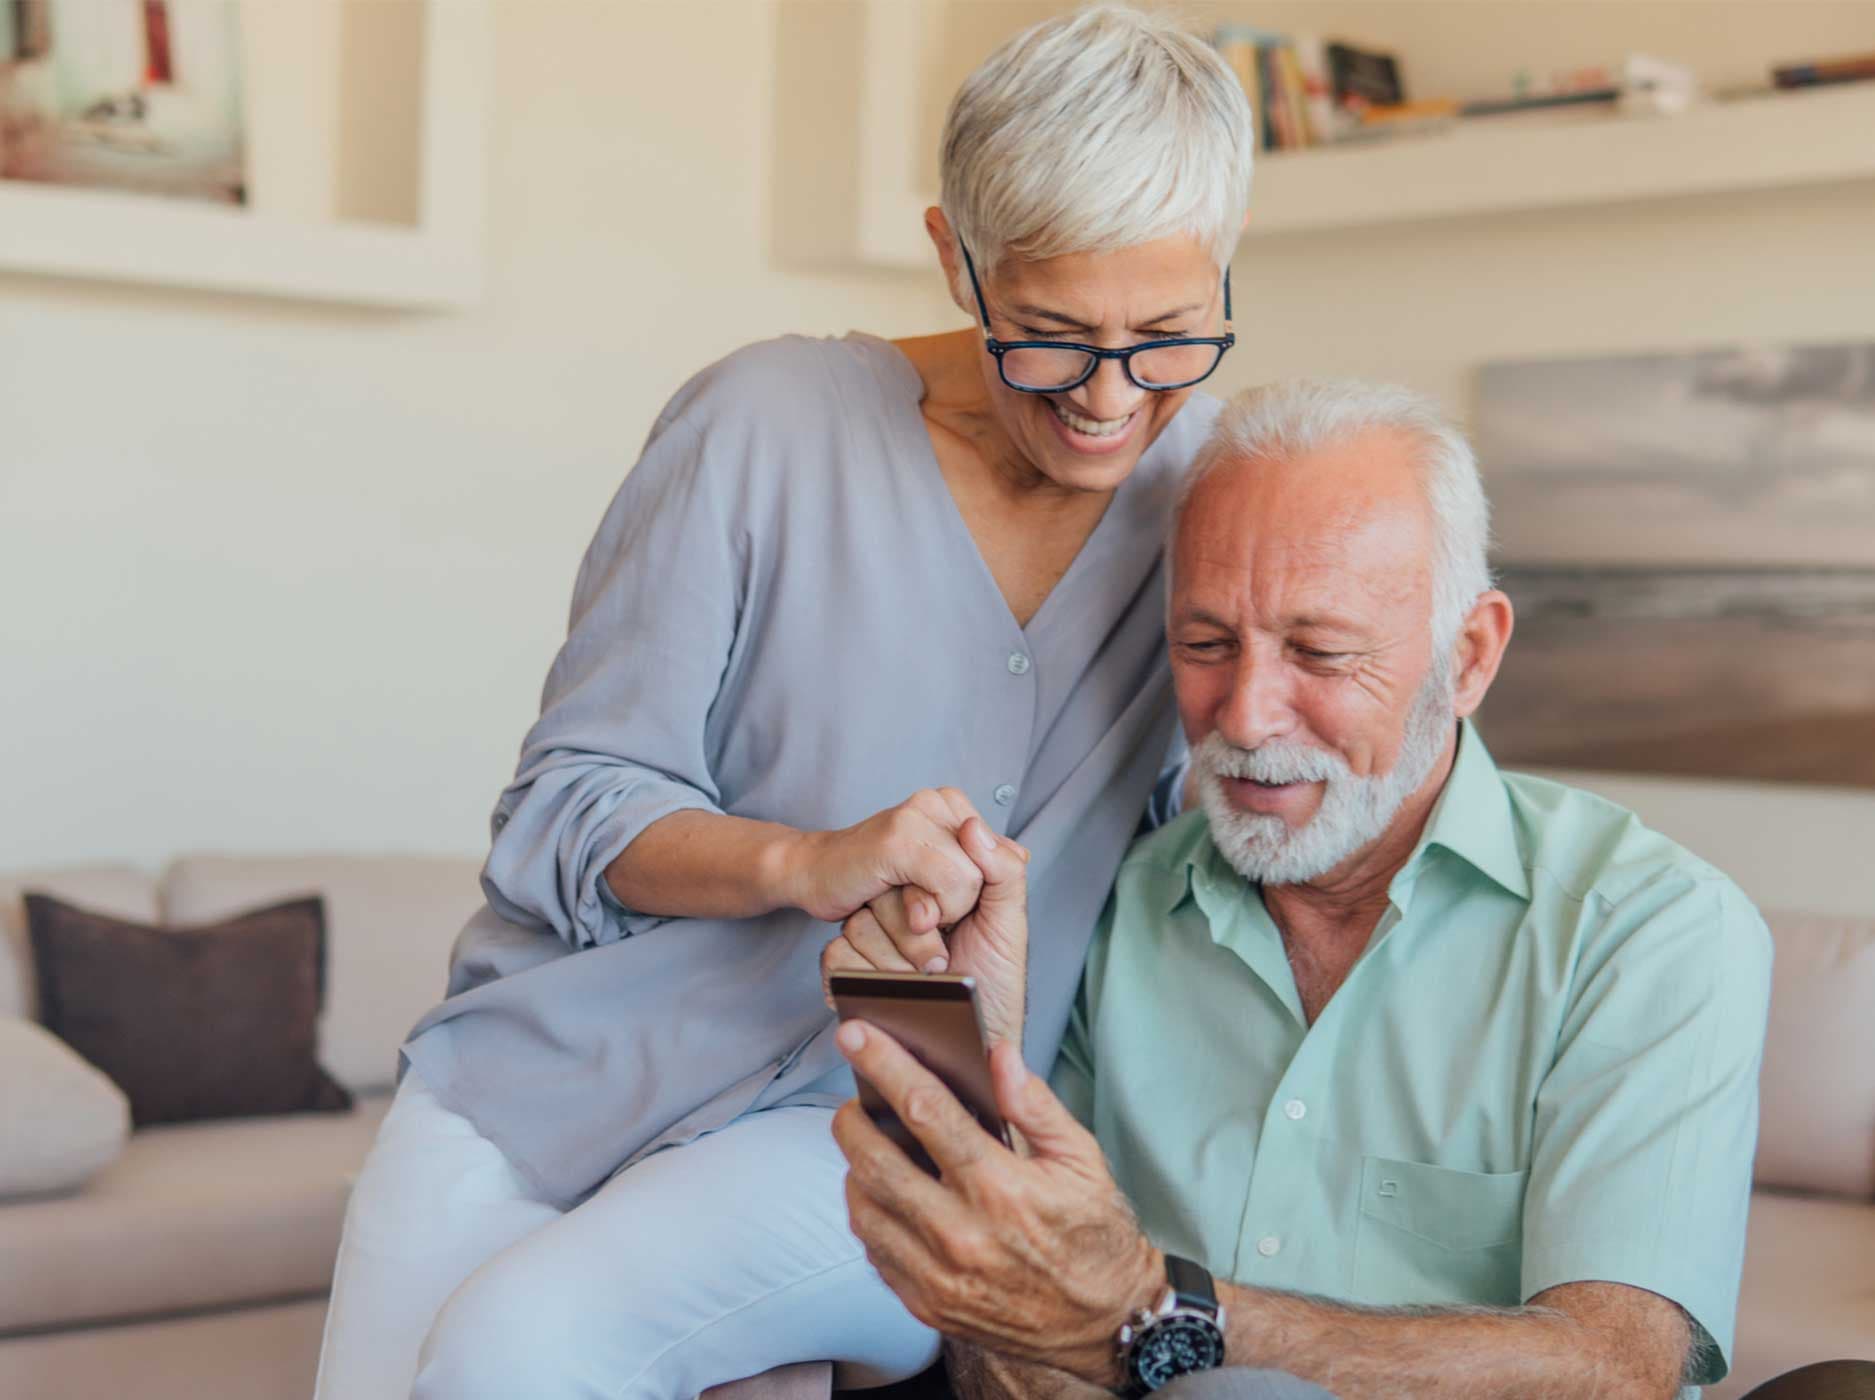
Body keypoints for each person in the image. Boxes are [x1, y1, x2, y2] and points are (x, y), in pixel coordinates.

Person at [312, 8, 1258, 1399]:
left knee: (518, 1348)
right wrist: (807, 863)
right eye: (1050, 338)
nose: (1109, 399)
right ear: (956, 260)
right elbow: (567, 803)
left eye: (1168, 335)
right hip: (548, 1077)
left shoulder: (1217, 505)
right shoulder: (761, 426)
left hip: (872, 1127)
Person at [830, 379, 1774, 1400]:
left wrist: (1160, 1313)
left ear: (1468, 658)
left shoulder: (1650, 928)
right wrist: (977, 1058)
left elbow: (1615, 1362)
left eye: (1319, 651)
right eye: (1204, 643)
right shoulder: (1118, 899)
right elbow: (1015, 1326)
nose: (1246, 714)